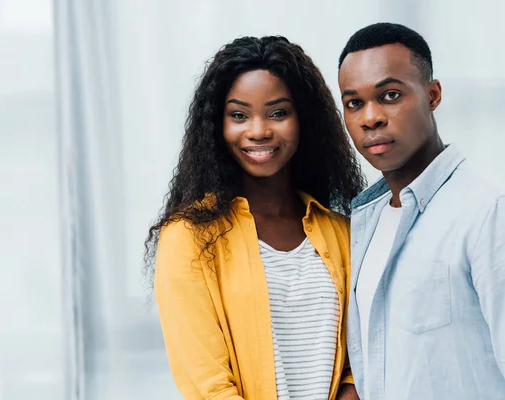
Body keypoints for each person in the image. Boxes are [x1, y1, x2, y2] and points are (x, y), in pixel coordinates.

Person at [337, 22, 505, 400]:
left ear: (433, 95)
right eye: (354, 103)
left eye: (390, 95)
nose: (370, 117)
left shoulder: (496, 217)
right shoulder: (365, 224)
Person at [144, 36, 364, 399]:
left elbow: (359, 360)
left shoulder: (343, 232)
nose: (259, 130)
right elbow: (207, 385)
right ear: (217, 125)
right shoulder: (189, 237)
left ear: (303, 121)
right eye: (239, 115)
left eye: (278, 112)